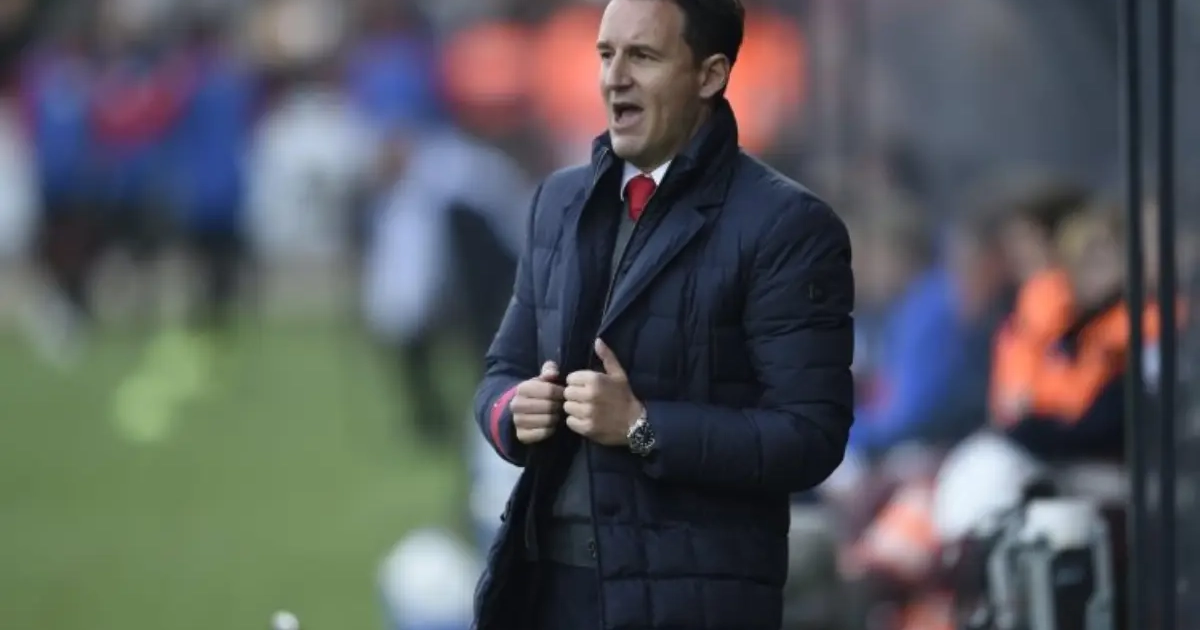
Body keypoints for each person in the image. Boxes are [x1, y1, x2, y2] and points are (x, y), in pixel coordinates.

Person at [471, 0, 856, 628]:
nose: (614, 77)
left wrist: (642, 428)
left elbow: (810, 437)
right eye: (606, 54)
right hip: (548, 592)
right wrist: (515, 410)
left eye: (643, 56)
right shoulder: (557, 202)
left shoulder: (789, 227)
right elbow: (499, 374)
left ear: (710, 75)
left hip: (692, 604)